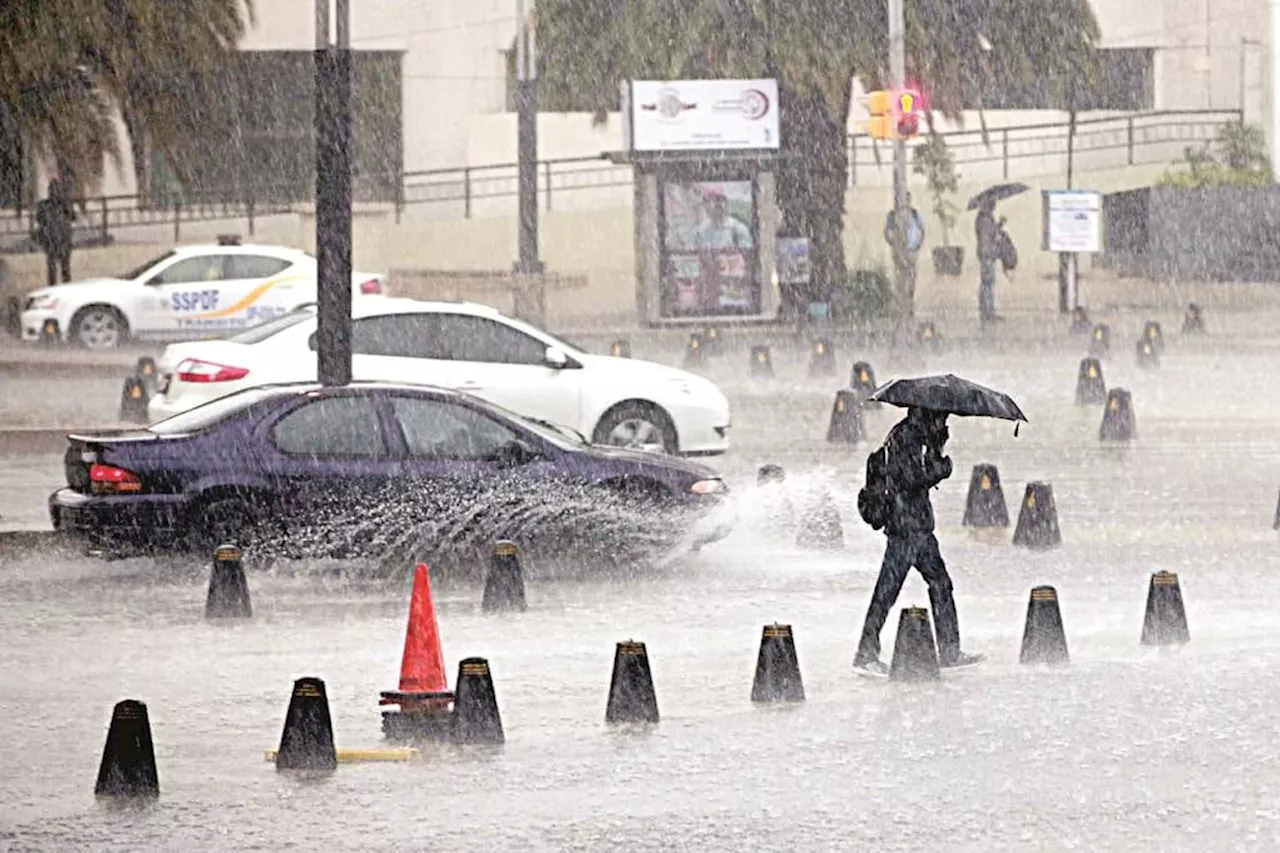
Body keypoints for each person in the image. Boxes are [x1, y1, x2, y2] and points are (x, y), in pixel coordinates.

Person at [853, 406, 981, 674]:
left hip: (918, 527)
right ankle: (865, 654)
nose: (945, 420)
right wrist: (941, 468)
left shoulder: (918, 436)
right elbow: (909, 479)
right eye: (942, 416)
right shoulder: (906, 437)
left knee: (940, 583)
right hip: (905, 529)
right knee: (887, 592)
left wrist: (936, 447)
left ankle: (949, 651)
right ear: (929, 414)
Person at [883, 194, 925, 301]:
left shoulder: (914, 214)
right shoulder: (892, 215)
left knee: (912, 274)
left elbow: (922, 230)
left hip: (912, 250)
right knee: (900, 274)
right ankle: (901, 296)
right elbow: (887, 232)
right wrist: (893, 244)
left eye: (907, 200)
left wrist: (918, 244)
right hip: (898, 251)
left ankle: (910, 295)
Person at [34, 177, 75, 286]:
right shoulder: (44, 205)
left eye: (56, 189)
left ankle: (66, 290)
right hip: (51, 240)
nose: (54, 192)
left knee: (65, 269)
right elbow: (39, 220)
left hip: (63, 240)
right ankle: (53, 289)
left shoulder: (64, 204)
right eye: (52, 189)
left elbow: (72, 217)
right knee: (52, 270)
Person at [975, 199, 1000, 323]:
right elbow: (986, 238)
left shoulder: (985, 218)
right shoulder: (985, 219)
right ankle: (988, 311)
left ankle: (985, 309)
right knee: (988, 283)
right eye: (993, 202)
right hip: (987, 255)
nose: (995, 204)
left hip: (987, 254)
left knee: (986, 283)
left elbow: (990, 234)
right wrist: (990, 253)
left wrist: (998, 225)